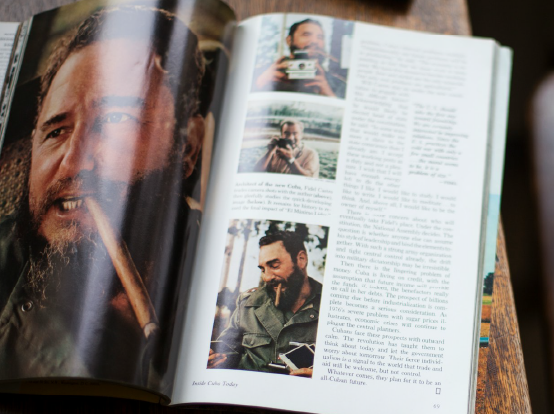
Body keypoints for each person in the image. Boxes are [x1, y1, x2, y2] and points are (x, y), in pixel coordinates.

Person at [0, 6, 206, 387]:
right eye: (56, 131)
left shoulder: (226, 272)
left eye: (115, 120)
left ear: (188, 148)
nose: (73, 163)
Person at [208, 230, 322, 376]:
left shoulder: (331, 307)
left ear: (301, 259)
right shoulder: (249, 304)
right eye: (263, 269)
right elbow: (227, 351)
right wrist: (214, 358)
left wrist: (319, 377)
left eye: (274, 265)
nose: (267, 277)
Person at [253, 18, 346, 98]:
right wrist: (260, 83)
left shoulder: (337, 84)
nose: (315, 41)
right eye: (306, 35)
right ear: (289, 40)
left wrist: (328, 93)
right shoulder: (262, 73)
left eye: (320, 37)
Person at [255, 119, 320, 177]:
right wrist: (269, 152)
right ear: (281, 135)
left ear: (301, 135)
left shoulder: (311, 154)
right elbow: (256, 171)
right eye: (286, 134)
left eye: (295, 133)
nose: (291, 138)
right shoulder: (275, 150)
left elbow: (308, 177)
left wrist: (290, 159)